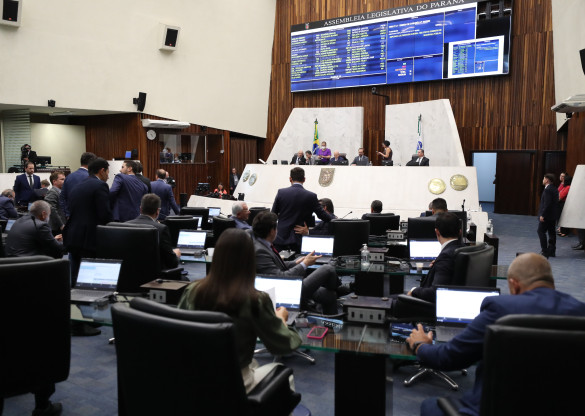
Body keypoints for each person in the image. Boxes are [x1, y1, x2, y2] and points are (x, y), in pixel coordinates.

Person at [407, 253, 585, 416]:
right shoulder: (580, 311)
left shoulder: (501, 308)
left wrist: (420, 346)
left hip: (495, 409)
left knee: (430, 405)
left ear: (514, 285)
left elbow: (449, 358)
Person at [178, 228, 302, 393]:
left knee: (253, 364)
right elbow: (284, 346)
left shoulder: (192, 290)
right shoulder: (256, 299)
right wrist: (281, 319)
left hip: (194, 376)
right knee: (284, 376)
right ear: (249, 260)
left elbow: (179, 331)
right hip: (234, 382)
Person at [252, 211, 340, 314]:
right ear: (272, 231)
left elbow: (277, 265)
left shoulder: (263, 244)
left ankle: (329, 322)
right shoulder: (260, 251)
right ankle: (339, 288)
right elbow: (281, 278)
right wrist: (304, 264)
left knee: (329, 295)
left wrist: (297, 262)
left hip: (287, 285)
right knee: (327, 268)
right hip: (286, 290)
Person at [63, 158, 113, 285]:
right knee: (89, 279)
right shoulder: (100, 185)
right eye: (108, 172)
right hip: (90, 238)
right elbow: (104, 214)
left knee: (75, 275)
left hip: (73, 236)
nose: (108, 176)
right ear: (102, 171)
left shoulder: (78, 186)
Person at [271, 167, 333, 253]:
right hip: (299, 240)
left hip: (280, 238)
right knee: (298, 261)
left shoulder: (281, 192)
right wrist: (334, 218)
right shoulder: (311, 196)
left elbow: (272, 215)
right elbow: (325, 217)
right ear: (304, 179)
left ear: (290, 179)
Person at [407, 212, 463, 303]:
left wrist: (414, 290)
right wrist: (437, 264)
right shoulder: (463, 249)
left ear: (437, 232)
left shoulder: (446, 256)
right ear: (460, 232)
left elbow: (435, 293)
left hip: (432, 306)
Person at [126, 194, 180, 269]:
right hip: (153, 274)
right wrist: (176, 254)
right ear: (158, 211)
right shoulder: (161, 228)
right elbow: (172, 263)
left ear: (140, 209)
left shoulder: (125, 225)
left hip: (128, 272)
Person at [59, 152, 97, 218]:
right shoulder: (92, 178)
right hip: (87, 217)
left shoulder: (68, 177)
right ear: (92, 164)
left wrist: (67, 214)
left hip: (70, 217)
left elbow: (62, 198)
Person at [537, 173, 558, 258]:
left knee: (541, 231)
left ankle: (545, 251)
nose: (543, 180)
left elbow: (547, 204)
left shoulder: (547, 190)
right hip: (552, 216)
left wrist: (543, 215)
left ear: (547, 180)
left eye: (544, 178)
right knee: (552, 233)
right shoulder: (554, 188)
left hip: (547, 216)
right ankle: (552, 250)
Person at [44, 171, 67, 235]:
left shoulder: (61, 192)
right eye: (62, 179)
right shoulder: (52, 192)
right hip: (56, 227)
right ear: (54, 181)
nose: (65, 181)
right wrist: (61, 224)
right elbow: (52, 210)